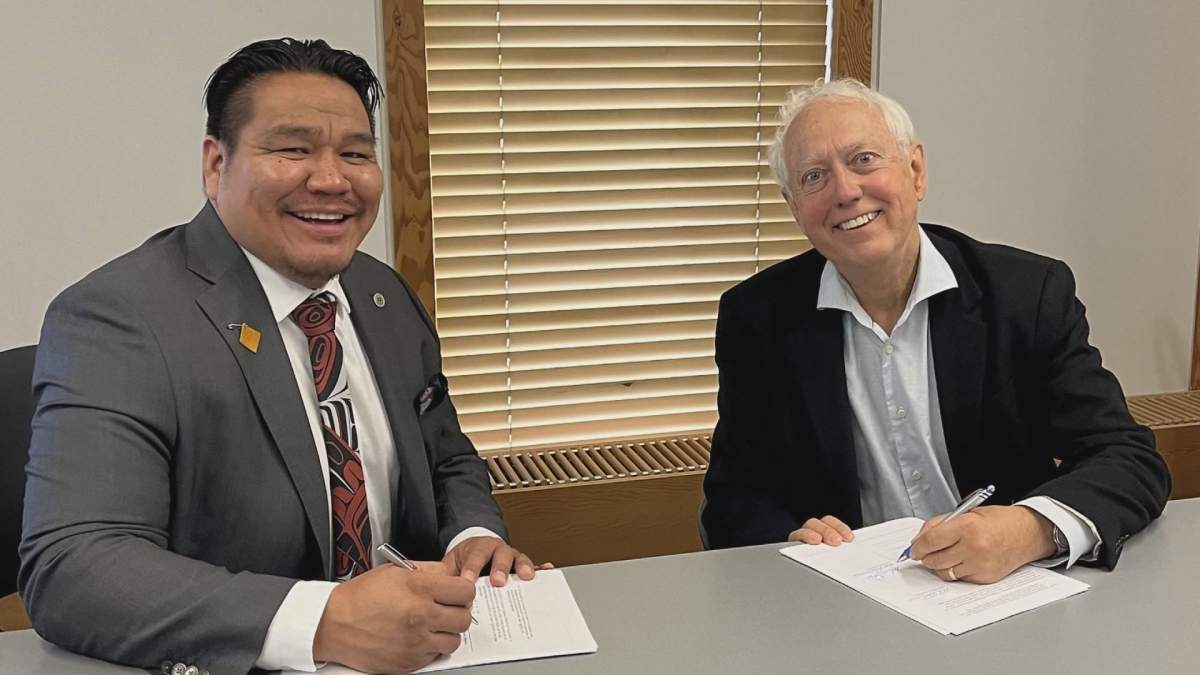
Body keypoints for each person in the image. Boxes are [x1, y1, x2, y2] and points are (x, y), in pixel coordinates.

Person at [20, 38, 545, 675]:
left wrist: (472, 537)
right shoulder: (118, 318)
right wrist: (325, 623)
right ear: (216, 165)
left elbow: (446, 455)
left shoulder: (383, 294)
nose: (331, 179)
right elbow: (75, 566)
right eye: (293, 149)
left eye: (355, 153)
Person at [701, 78, 1170, 584]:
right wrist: (790, 538)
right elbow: (733, 501)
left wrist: (1031, 529)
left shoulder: (1025, 294)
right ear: (795, 208)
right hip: (846, 605)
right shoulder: (757, 318)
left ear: (916, 171)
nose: (844, 191)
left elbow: (1130, 458)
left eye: (863, 160)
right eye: (814, 176)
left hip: (1008, 592)